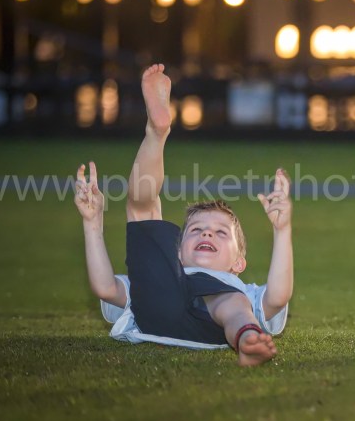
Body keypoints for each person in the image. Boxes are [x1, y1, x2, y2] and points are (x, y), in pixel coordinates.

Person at [74, 64, 293, 367]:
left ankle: (247, 338)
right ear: (178, 250)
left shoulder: (242, 290)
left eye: (220, 233)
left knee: (232, 303)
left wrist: (283, 230)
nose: (206, 234)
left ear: (239, 263)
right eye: (197, 230)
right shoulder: (164, 271)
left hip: (221, 320)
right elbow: (105, 288)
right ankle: (157, 132)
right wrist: (92, 223)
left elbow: (278, 297)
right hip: (164, 295)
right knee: (142, 209)